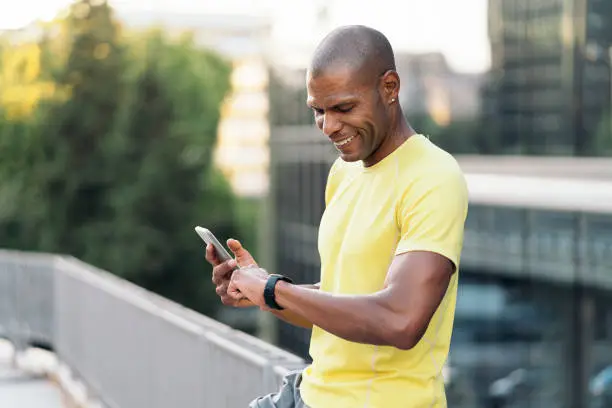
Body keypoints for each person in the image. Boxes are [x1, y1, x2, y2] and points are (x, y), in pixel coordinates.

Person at [205, 25, 469, 408]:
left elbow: (400, 320)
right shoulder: (344, 172)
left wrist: (274, 291)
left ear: (390, 88)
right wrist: (263, 291)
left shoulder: (434, 177)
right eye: (318, 111)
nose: (328, 126)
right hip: (311, 393)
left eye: (343, 108)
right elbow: (341, 304)